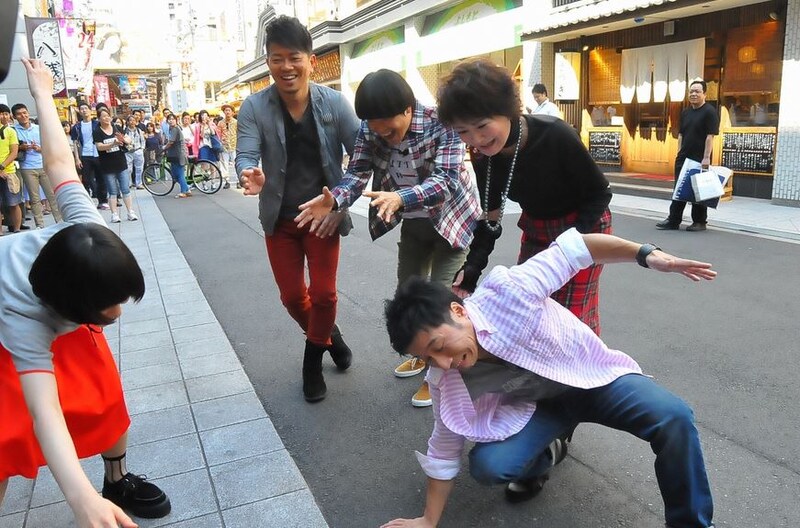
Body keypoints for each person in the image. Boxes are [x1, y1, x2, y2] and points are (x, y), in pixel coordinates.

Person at [381, 229, 717, 528]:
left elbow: (576, 248)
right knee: (488, 466)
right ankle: (545, 454)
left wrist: (646, 254)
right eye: (428, 358)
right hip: (535, 407)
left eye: (438, 346)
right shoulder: (444, 377)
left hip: (590, 378)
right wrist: (427, 520)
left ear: (458, 311)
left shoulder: (508, 292)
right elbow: (443, 447)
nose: (443, 362)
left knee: (673, 417)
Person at [0, 57, 170, 527]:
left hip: (65, 293)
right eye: (108, 306)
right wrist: (79, 501)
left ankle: (117, 480)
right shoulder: (23, 317)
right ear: (71, 308)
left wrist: (41, 94)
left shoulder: (85, 224)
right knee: (7, 435)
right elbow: (44, 409)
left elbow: (57, 160)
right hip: (5, 329)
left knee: (106, 401)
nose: (117, 312)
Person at [296, 69, 481, 408]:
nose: (388, 138)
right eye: (379, 132)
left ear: (408, 109)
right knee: (407, 295)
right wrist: (335, 199)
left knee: (439, 301)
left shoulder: (443, 124)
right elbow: (357, 173)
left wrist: (401, 197)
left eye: (392, 130)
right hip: (414, 221)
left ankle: (440, 378)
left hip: (452, 220)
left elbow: (447, 181)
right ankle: (425, 355)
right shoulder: (370, 128)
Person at [436, 59, 612, 336]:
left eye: (482, 125)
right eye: (462, 132)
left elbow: (600, 194)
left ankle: (587, 374)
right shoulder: (482, 154)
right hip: (537, 228)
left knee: (569, 319)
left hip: (584, 225)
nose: (476, 139)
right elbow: (491, 216)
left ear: (507, 110)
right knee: (528, 305)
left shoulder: (556, 134)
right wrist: (471, 270)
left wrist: (568, 247)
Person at [237, 15, 361, 402]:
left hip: (323, 216)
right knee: (293, 297)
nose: (286, 67)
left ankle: (312, 361)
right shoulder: (254, 107)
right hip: (280, 219)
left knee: (324, 295)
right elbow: (245, 154)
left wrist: (338, 200)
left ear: (310, 58)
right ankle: (330, 337)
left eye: (294, 57)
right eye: (277, 58)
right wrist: (249, 174)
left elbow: (361, 159)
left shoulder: (335, 103)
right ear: (267, 62)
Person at [656, 79, 720, 232]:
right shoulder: (686, 112)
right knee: (679, 188)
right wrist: (679, 153)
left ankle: (700, 222)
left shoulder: (710, 112)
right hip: (684, 156)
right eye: (691, 91)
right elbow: (681, 134)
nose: (693, 94)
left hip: (699, 157)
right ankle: (673, 220)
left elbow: (710, 136)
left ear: (704, 93)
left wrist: (706, 157)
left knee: (699, 190)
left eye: (697, 91)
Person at [12, 102, 63, 227]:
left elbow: (48, 146)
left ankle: (60, 222)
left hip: (43, 164)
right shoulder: (13, 131)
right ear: (14, 117)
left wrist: (39, 148)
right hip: (26, 167)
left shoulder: (38, 128)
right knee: (34, 198)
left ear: (28, 113)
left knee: (52, 195)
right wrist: (21, 147)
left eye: (25, 113)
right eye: (19, 114)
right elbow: (12, 149)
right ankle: (40, 225)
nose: (23, 116)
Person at [93, 107, 138, 222]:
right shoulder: (97, 131)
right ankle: (114, 214)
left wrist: (125, 140)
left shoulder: (116, 127)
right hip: (107, 166)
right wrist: (112, 144)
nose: (107, 118)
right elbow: (99, 147)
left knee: (125, 189)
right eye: (103, 116)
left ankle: (130, 212)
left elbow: (127, 138)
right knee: (112, 191)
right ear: (99, 119)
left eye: (108, 115)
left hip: (121, 163)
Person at [70, 102, 110, 210]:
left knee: (100, 178)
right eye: (81, 109)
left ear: (90, 110)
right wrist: (77, 158)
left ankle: (103, 201)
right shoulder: (77, 127)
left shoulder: (97, 124)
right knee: (86, 179)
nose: (84, 110)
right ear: (79, 111)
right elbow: (75, 142)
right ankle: (87, 202)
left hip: (98, 154)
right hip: (85, 155)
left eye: (86, 108)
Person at [0, 104, 23, 233]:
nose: (3, 116)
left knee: (14, 203)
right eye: (1, 113)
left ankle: (17, 229)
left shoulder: (11, 131)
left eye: (6, 113)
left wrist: (2, 167)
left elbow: (14, 152)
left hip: (9, 172)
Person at [163, 113, 192, 199]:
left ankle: (183, 192)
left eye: (173, 119)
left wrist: (164, 147)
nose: (171, 120)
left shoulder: (175, 129)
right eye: (169, 119)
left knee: (179, 174)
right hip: (174, 155)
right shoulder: (172, 129)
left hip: (178, 155)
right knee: (175, 174)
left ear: (176, 120)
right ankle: (187, 189)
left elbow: (171, 142)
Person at [123, 115, 145, 189]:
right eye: (130, 120)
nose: (132, 122)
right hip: (128, 151)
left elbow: (143, 140)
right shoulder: (125, 131)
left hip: (138, 150)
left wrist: (142, 149)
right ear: (127, 122)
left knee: (139, 168)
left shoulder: (139, 131)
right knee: (129, 169)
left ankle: (139, 183)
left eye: (133, 120)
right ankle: (129, 183)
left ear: (136, 122)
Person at [219, 104, 237, 188]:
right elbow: (218, 134)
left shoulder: (236, 122)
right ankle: (227, 181)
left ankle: (238, 181)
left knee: (236, 163)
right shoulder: (220, 123)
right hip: (224, 146)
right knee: (224, 164)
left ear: (232, 112)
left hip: (234, 145)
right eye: (226, 110)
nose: (227, 112)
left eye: (229, 110)